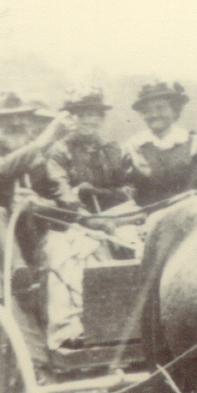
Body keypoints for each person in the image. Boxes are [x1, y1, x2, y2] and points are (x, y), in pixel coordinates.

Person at [39, 87, 132, 350]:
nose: (89, 120)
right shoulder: (59, 151)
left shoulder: (113, 150)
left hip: (114, 218)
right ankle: (71, 329)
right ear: (71, 118)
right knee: (71, 256)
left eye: (95, 115)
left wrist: (97, 193)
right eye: (82, 115)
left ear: (102, 119)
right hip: (71, 222)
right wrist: (86, 218)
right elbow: (61, 191)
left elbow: (128, 189)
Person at [0, 92, 73, 280]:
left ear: (30, 120)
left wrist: (39, 203)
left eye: (22, 117)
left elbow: (58, 197)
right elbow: (1, 169)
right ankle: (18, 274)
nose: (16, 123)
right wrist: (43, 142)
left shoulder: (42, 153)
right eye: (7, 118)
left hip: (36, 228)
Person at [122, 81, 197, 207]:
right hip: (146, 215)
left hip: (190, 212)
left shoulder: (194, 143)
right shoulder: (134, 146)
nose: (154, 115)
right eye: (147, 111)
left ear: (174, 111)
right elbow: (127, 187)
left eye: (161, 108)